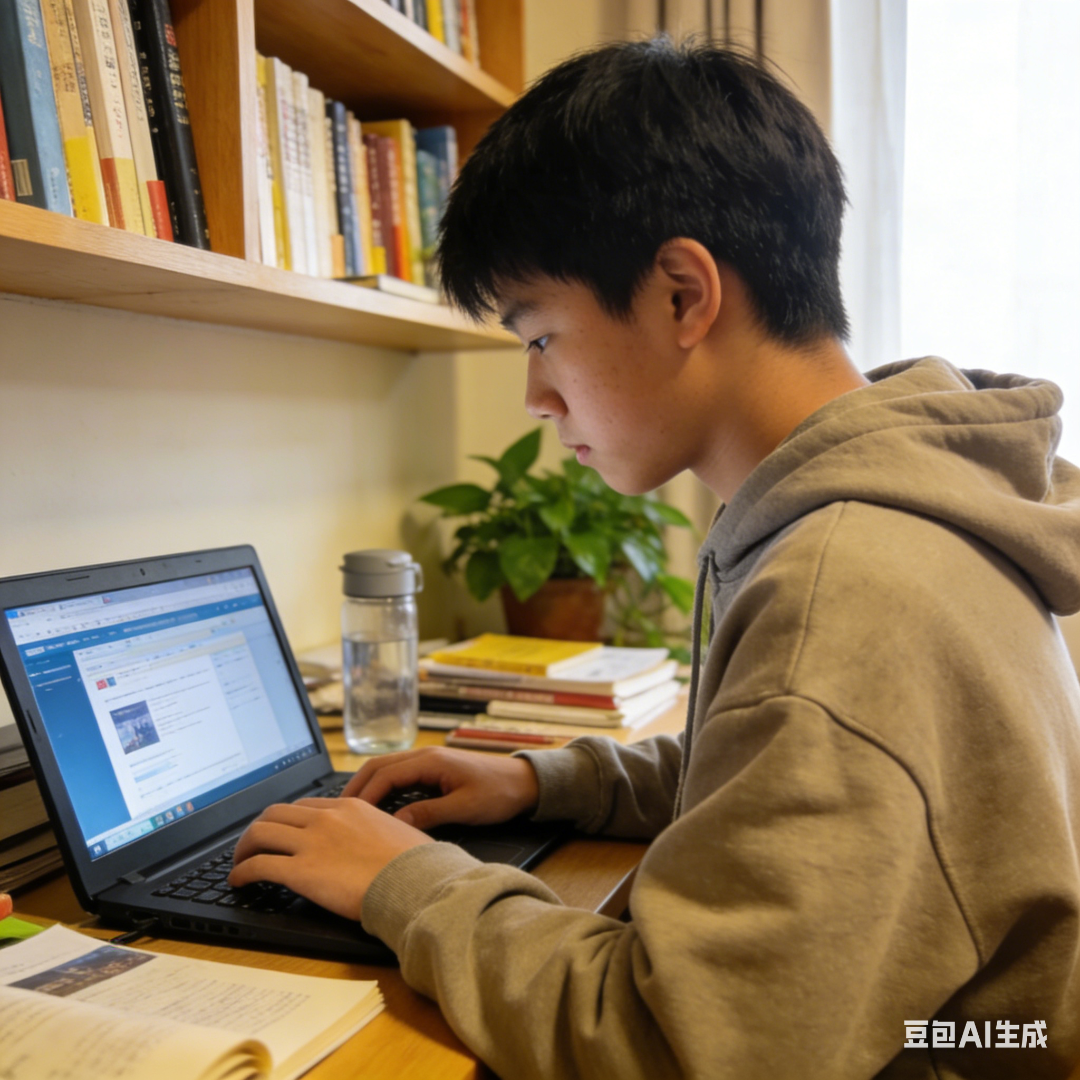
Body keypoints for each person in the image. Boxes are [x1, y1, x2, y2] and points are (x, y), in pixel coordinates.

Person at [229, 38, 1080, 1078]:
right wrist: (540, 782)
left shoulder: (846, 592)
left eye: (540, 336)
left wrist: (404, 883)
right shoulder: (883, 515)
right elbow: (768, 768)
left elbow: (680, 1048)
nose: (536, 399)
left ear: (682, 293)